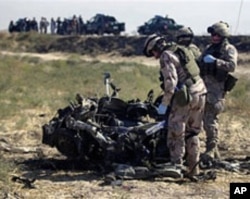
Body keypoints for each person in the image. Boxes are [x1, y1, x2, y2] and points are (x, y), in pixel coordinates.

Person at [143, 34, 207, 176]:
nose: (154, 56)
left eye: (153, 52)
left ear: (157, 48)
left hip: (186, 96)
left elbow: (171, 83)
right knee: (193, 132)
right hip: (201, 91)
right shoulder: (180, 49)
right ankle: (193, 169)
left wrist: (165, 104)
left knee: (175, 130)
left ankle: (176, 165)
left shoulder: (166, 55)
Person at [198, 21, 238, 160]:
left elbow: (232, 66)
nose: (214, 37)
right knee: (202, 120)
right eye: (212, 35)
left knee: (210, 120)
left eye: (217, 35)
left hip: (216, 91)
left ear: (223, 35)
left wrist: (216, 62)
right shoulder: (208, 48)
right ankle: (212, 151)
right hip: (203, 88)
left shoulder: (229, 49)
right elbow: (199, 63)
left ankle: (211, 149)